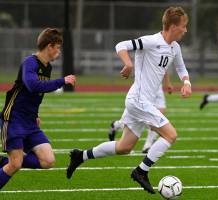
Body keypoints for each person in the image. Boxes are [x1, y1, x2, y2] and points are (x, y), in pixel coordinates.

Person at [66, 6, 191, 194]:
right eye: (184, 26)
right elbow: (121, 45)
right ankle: (141, 171)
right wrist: (128, 63)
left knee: (124, 147)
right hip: (139, 100)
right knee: (170, 135)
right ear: (173, 26)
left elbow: (181, 68)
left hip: (142, 101)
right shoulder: (151, 41)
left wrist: (186, 82)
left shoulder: (175, 47)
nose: (185, 30)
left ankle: (80, 156)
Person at [0, 28, 76, 189]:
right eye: (58, 47)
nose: (59, 51)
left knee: (48, 161)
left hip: (29, 121)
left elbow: (35, 96)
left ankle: (4, 160)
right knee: (15, 165)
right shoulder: (30, 62)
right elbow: (33, 86)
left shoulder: (47, 67)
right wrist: (62, 81)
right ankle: (11, 161)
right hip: (13, 119)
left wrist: (35, 114)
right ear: (49, 46)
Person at [108, 73, 173, 154]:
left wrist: (168, 82)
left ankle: (147, 146)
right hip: (145, 89)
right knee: (142, 119)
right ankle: (117, 125)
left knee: (159, 115)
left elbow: (165, 67)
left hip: (157, 88)